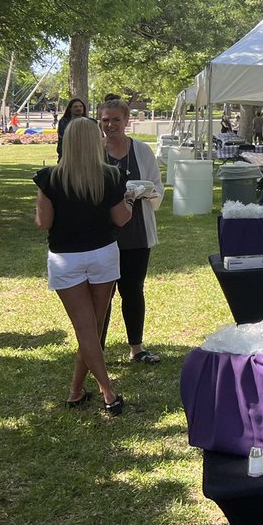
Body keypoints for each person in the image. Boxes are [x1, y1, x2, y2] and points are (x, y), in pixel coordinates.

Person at [33, 118, 132, 414]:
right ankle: (99, 391)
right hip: (103, 254)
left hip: (66, 258)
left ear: (66, 142)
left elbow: (43, 223)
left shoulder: (50, 178)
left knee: (86, 329)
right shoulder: (111, 176)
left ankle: (88, 391)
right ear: (94, 142)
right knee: (93, 327)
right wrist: (130, 202)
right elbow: (122, 219)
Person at [98, 99, 165, 364]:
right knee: (102, 293)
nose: (110, 125)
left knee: (133, 289)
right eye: (105, 120)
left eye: (116, 120)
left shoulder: (142, 151)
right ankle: (96, 350)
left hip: (136, 232)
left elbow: (157, 187)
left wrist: (142, 191)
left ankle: (136, 348)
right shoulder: (94, 151)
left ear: (127, 121)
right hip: (101, 233)